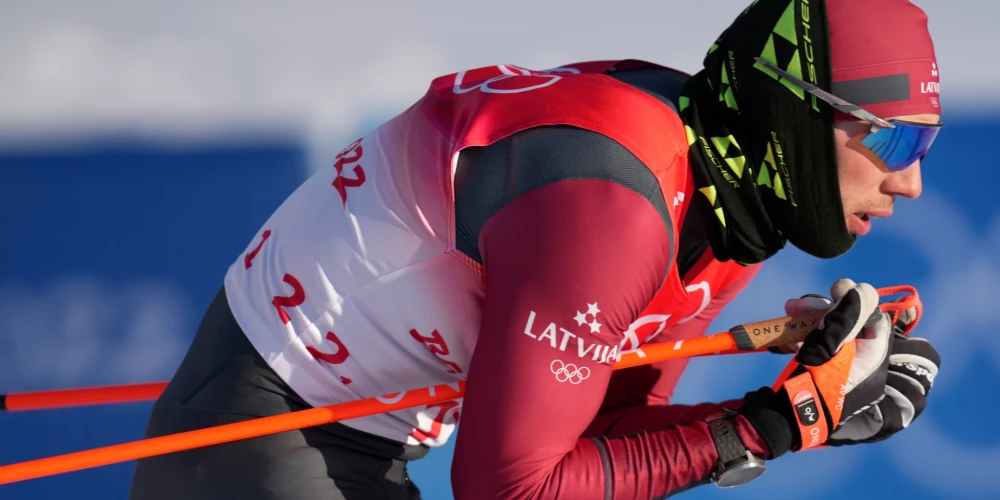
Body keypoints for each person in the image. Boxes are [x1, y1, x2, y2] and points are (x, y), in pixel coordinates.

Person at [129, 0, 944, 498]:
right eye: (896, 142)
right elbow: (511, 488)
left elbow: (604, 432)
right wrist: (775, 425)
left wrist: (794, 409)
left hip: (351, 429)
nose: (910, 184)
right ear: (798, 116)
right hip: (261, 429)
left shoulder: (734, 201)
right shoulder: (617, 202)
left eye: (927, 148)